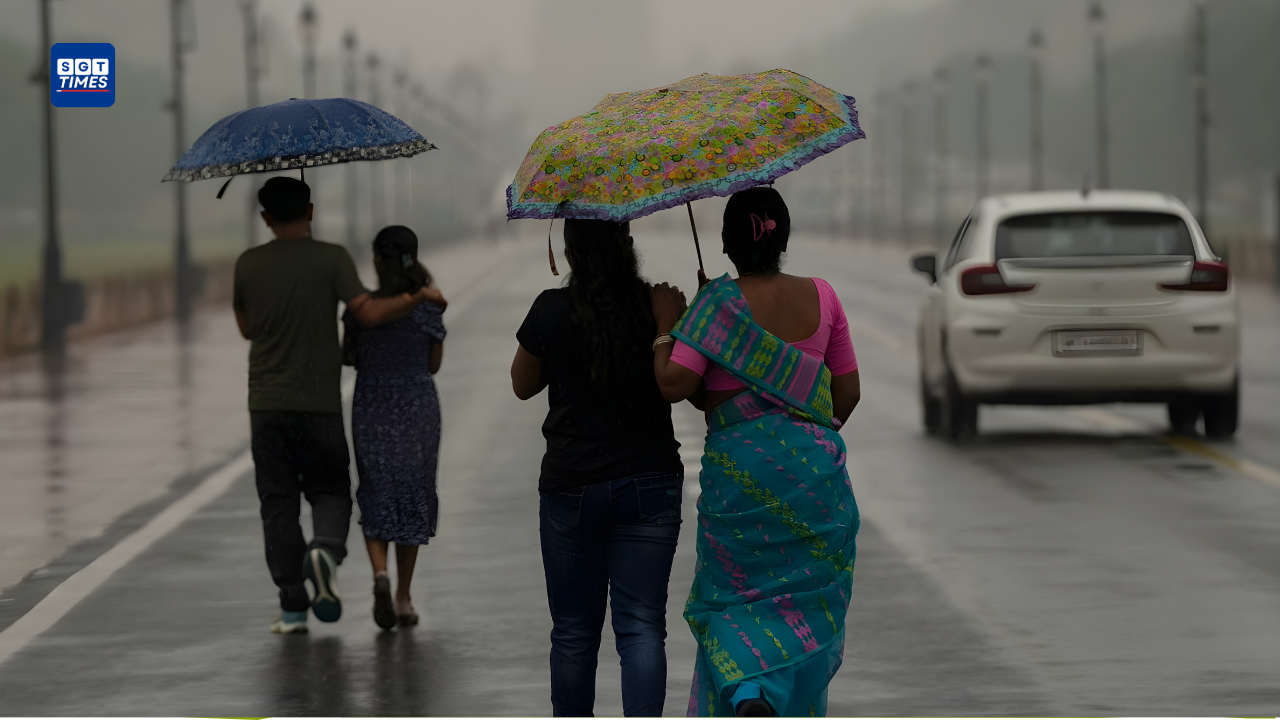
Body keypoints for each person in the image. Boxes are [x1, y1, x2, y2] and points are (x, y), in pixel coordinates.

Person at [651, 187, 861, 717]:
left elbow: (675, 383)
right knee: (804, 599)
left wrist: (668, 326)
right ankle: (783, 693)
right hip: (815, 477)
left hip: (740, 475)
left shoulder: (714, 306)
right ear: (783, 237)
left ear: (726, 243)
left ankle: (746, 691)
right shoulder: (824, 295)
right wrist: (802, 437)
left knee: (735, 594)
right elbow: (847, 394)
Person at [233, 176, 444, 635]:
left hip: (267, 404)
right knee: (330, 490)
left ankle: (293, 606)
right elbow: (369, 313)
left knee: (278, 502)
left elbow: (246, 327)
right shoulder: (331, 258)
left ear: (265, 217)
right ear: (309, 211)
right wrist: (418, 297)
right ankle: (325, 551)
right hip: (320, 403)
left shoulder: (247, 264)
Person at [510, 219, 684, 717]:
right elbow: (690, 385)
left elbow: (522, 385)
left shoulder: (551, 308)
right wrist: (670, 326)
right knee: (642, 626)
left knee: (572, 631)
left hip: (571, 486)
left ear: (570, 251)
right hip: (649, 484)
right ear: (627, 245)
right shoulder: (656, 307)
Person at [341, 225, 447, 630]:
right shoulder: (428, 306)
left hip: (371, 405)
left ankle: (379, 574)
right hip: (418, 406)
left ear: (376, 261)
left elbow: (347, 356)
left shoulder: (361, 309)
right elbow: (433, 364)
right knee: (412, 493)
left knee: (376, 489)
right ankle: (403, 599)